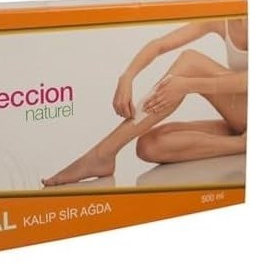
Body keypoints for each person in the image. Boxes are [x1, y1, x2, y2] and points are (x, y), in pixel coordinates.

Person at [42, 18, 248, 186]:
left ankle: (101, 153)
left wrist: (187, 85)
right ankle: (242, 143)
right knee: (149, 146)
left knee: (190, 62)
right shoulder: (223, 18)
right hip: (243, 119)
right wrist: (127, 76)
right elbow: (159, 45)